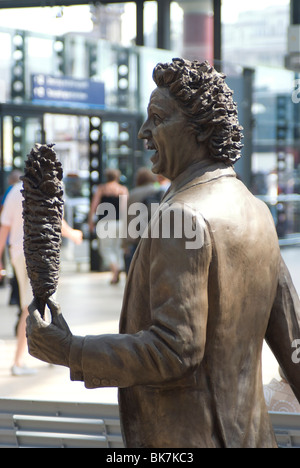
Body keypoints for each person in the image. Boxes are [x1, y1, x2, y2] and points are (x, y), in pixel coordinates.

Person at [26, 59, 300, 448]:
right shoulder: (257, 212)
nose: (143, 132)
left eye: (157, 118)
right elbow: (294, 341)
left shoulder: (183, 217)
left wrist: (71, 350)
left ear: (200, 130)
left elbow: (174, 350)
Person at [0, 179, 82, 376]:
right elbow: (58, 221)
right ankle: (18, 361)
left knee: (38, 303)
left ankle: (46, 353)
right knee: (32, 307)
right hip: (39, 254)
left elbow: (4, 227)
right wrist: (73, 234)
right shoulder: (46, 188)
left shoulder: (14, 192)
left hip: (19, 253)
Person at [89, 168, 128, 284]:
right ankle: (118, 268)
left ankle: (114, 269)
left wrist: (90, 221)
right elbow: (124, 209)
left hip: (105, 223)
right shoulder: (122, 189)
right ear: (117, 177)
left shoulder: (102, 189)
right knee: (118, 248)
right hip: (119, 223)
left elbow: (94, 206)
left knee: (105, 248)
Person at [122, 167, 158, 274]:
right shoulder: (158, 191)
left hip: (136, 239)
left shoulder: (133, 194)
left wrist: (125, 243)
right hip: (155, 238)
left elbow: (127, 219)